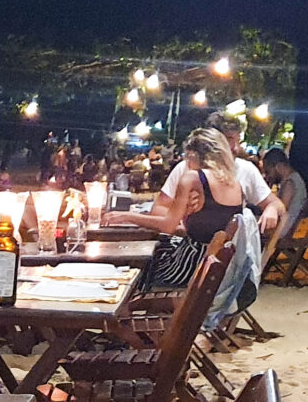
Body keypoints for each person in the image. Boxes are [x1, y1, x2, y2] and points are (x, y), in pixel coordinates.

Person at [107, 127, 261, 315]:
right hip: (215, 268)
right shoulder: (233, 183)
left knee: (133, 270)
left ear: (195, 154)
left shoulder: (192, 178)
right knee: (151, 255)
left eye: (187, 156)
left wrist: (126, 216)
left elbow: (168, 226)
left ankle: (120, 322)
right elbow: (209, 222)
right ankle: (133, 322)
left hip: (189, 265)